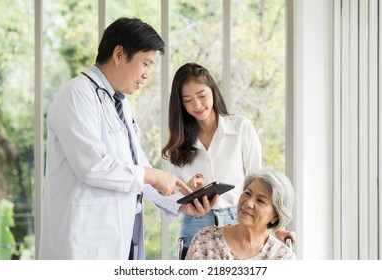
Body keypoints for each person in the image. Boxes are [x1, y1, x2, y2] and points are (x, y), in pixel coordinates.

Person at [38, 17, 202, 260]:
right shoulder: (76, 95)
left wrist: (182, 201)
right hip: (83, 243)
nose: (147, 75)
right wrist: (152, 175)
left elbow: (137, 170)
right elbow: (92, 167)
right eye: (145, 63)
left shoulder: (121, 104)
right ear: (118, 53)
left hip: (122, 237)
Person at [161, 62, 295, 258]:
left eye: (202, 95)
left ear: (213, 92)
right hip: (195, 223)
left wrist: (272, 229)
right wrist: (188, 192)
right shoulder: (176, 142)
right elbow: (167, 196)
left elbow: (260, 185)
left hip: (240, 218)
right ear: (180, 103)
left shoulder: (240, 128)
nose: (197, 105)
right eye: (188, 99)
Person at [185, 168, 296, 260]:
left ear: (275, 215)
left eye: (260, 201)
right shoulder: (206, 239)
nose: (248, 203)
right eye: (247, 193)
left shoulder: (283, 257)